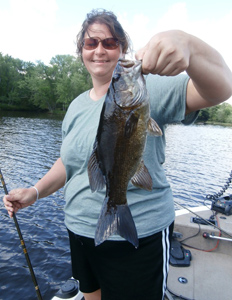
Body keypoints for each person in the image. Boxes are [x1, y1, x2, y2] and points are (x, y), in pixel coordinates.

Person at [3, 8, 232, 300]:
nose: (100, 50)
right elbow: (69, 162)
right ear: (82, 51)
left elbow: (220, 89)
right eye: (91, 43)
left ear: (122, 49)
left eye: (110, 43)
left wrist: (189, 44)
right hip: (80, 230)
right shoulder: (75, 107)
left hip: (139, 236)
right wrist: (34, 192)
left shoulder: (149, 90)